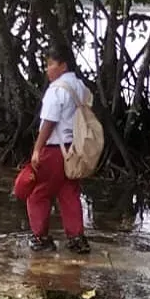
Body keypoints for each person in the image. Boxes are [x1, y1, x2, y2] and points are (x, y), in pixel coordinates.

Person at [25, 47, 91, 254]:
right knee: (69, 193)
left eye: (50, 64)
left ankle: (41, 237)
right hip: (75, 149)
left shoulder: (56, 89)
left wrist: (37, 149)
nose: (48, 70)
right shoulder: (80, 87)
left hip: (54, 150)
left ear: (62, 65)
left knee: (38, 193)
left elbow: (49, 122)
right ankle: (77, 238)